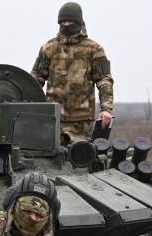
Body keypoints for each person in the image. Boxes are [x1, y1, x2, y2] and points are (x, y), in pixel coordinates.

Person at [31, 2, 114, 144]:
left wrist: (106, 109)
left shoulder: (94, 49)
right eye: (63, 21)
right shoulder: (49, 48)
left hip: (81, 122)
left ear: (78, 22)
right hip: (51, 118)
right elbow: (35, 80)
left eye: (70, 21)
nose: (66, 24)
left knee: (80, 161)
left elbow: (104, 80)